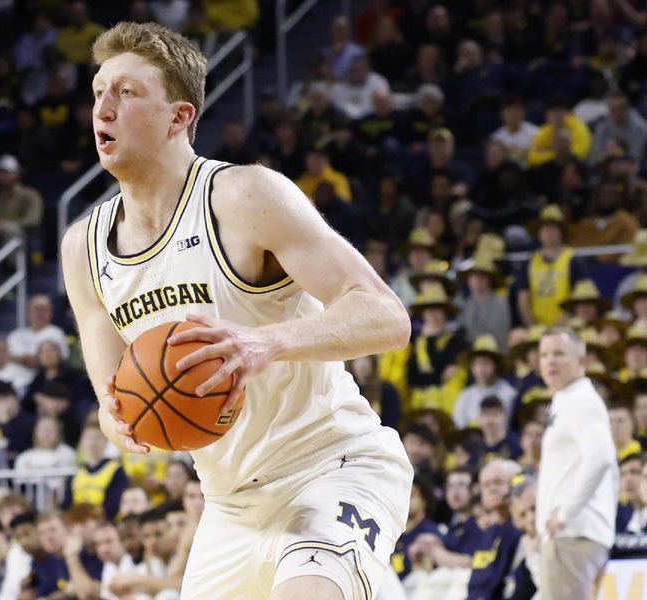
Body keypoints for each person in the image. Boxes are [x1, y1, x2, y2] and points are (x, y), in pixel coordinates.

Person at [61, 21, 414, 599]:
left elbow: (385, 316)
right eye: (99, 92)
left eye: (126, 93)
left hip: (332, 465)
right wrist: (123, 419)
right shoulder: (85, 247)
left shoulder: (245, 197)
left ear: (179, 118)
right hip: (227, 504)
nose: (103, 109)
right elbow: (113, 401)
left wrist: (266, 343)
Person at [536, 327, 618, 599]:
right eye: (544, 354)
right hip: (576, 537)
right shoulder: (567, 399)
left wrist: (565, 513)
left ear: (582, 361)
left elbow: (602, 456)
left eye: (559, 354)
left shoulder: (579, 400)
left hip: (572, 536)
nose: (549, 361)